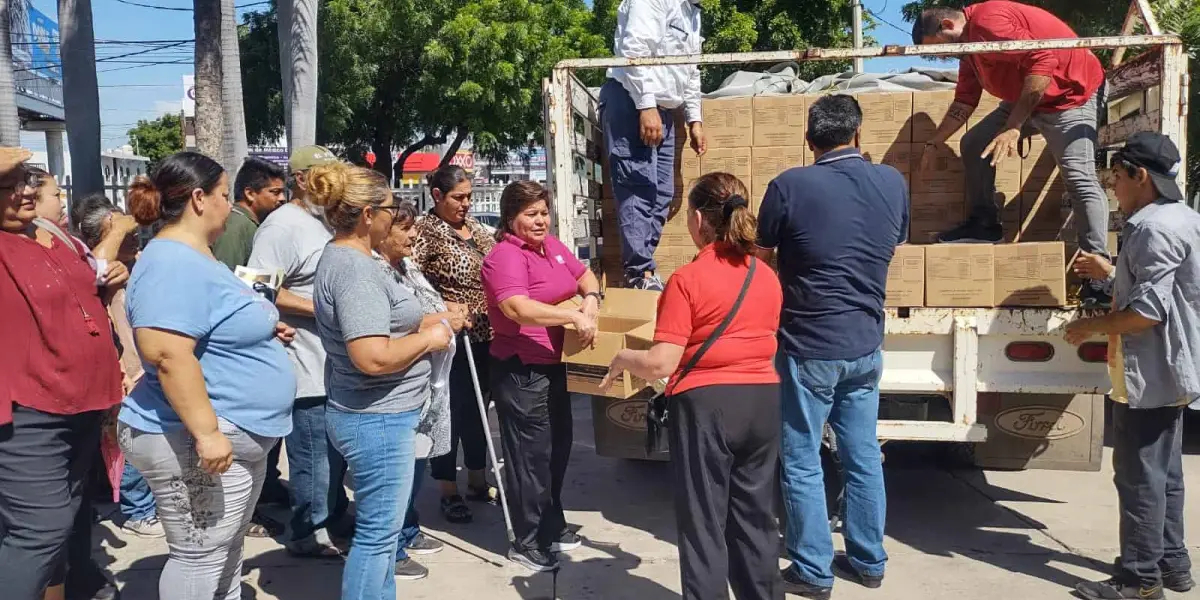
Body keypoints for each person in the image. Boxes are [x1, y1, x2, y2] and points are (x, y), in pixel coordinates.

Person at [119, 151, 297, 600]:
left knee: (224, 546)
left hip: (237, 431)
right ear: (199, 199)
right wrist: (208, 433)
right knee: (200, 553)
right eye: (223, 195)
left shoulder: (197, 256)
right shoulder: (171, 261)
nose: (228, 204)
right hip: (196, 435)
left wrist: (260, 330)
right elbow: (166, 354)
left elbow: (209, 322)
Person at [600, 172, 783, 600]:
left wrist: (622, 357)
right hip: (763, 401)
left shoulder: (687, 280)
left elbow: (662, 362)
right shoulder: (766, 275)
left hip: (708, 407)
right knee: (755, 518)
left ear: (698, 220)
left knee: (704, 523)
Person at [756, 95, 908, 599]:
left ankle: (813, 570)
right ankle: (869, 560)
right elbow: (893, 241)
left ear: (809, 140)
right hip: (866, 342)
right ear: (858, 135)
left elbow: (761, 256)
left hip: (808, 343)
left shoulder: (789, 185)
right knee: (862, 454)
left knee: (801, 458)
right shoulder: (891, 181)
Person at [1065, 132, 1198, 600]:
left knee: (1138, 476)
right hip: (1175, 369)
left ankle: (1139, 581)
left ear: (1140, 177)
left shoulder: (1149, 228)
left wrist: (1089, 327)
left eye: (1116, 179)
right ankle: (1173, 565)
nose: (1113, 189)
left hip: (1151, 370)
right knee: (1165, 473)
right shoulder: (1183, 218)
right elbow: (1161, 281)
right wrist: (1112, 270)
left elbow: (1145, 314)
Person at [310, 162, 451, 600]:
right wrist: (429, 338)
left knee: (381, 536)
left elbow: (382, 327)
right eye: (390, 208)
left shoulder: (350, 260)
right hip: (377, 419)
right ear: (369, 215)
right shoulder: (356, 271)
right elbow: (371, 356)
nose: (397, 217)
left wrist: (429, 321)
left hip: (373, 414)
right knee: (376, 537)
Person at [912, 1, 1111, 306]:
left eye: (936, 48)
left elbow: (1044, 60)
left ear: (947, 26)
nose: (940, 56)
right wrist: (934, 142)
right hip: (1026, 98)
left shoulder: (990, 22)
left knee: (1079, 178)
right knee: (973, 143)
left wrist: (1014, 126)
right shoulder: (969, 53)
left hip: (1070, 96)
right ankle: (985, 224)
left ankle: (1099, 275)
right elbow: (965, 102)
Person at [0, 147, 124, 600]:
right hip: (27, 411)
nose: (26, 193)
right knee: (39, 529)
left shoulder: (49, 234)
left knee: (67, 519)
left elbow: (80, 291)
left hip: (83, 403)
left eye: (28, 182)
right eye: (10, 186)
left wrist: (108, 277)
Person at [480, 180, 601, 572]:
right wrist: (570, 315)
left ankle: (551, 523)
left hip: (555, 367)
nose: (540, 221)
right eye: (530, 214)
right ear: (511, 218)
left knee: (557, 448)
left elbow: (587, 276)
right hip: (522, 370)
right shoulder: (506, 256)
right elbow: (516, 307)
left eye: (544, 213)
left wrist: (591, 301)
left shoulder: (552, 248)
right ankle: (526, 539)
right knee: (530, 457)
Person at [248, 145, 349, 555]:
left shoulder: (326, 222)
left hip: (336, 364)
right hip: (305, 365)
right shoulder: (281, 226)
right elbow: (256, 286)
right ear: (302, 179)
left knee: (335, 455)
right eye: (324, 175)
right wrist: (319, 308)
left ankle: (334, 516)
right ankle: (306, 533)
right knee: (313, 457)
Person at [375, 201, 469, 580]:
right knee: (397, 470)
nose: (415, 235)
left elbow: (423, 305)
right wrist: (443, 318)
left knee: (417, 461)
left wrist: (448, 309)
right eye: (406, 229)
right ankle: (392, 549)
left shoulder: (407, 265)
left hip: (427, 383)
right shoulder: (377, 272)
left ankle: (409, 529)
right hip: (398, 386)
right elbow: (396, 320)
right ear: (383, 231)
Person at [71, 193, 165, 539]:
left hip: (149, 368)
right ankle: (137, 510)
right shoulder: (100, 269)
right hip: (126, 373)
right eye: (122, 230)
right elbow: (94, 269)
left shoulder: (140, 262)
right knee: (130, 445)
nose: (133, 233)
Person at [601, 0, 707, 291]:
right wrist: (646, 106)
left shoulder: (693, 14)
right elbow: (633, 50)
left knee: (662, 192)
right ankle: (639, 273)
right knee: (637, 186)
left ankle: (642, 266)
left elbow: (691, 70)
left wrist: (694, 119)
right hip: (632, 100)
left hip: (664, 110)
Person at [413, 165, 499, 524]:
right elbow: (408, 281)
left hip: (486, 335)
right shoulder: (424, 231)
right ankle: (448, 487)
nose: (466, 204)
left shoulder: (478, 229)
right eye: (458, 198)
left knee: (480, 410)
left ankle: (478, 478)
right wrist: (440, 308)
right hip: (451, 338)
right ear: (437, 196)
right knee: (449, 412)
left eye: (469, 197)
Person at [211, 157, 287, 270]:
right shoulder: (235, 227)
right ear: (250, 193)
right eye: (275, 192)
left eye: (283, 192)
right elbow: (224, 278)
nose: (282, 198)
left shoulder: (252, 223)